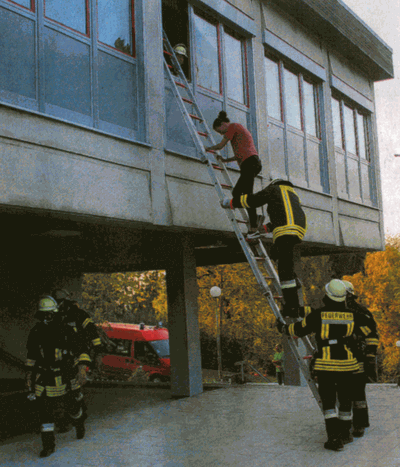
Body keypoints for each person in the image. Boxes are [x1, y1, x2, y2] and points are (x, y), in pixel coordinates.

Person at [277, 279, 376, 451]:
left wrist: (282, 327)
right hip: (348, 365)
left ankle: (334, 440)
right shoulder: (354, 315)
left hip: (326, 365)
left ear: (327, 295)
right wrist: (368, 353)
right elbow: (369, 330)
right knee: (345, 402)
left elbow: (298, 329)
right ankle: (346, 435)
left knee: (329, 404)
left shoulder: (319, 315)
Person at [221, 178, 307, 318]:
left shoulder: (274, 189)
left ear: (273, 184)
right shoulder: (292, 194)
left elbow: (254, 200)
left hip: (285, 230)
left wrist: (231, 203)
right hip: (296, 230)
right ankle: (295, 281)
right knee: (276, 253)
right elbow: (283, 216)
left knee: (285, 273)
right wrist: (264, 229)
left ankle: (292, 307)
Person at [25, 296, 91, 457]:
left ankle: (79, 422)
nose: (46, 319)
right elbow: (32, 356)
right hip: (45, 376)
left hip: (66, 375)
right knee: (45, 412)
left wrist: (82, 370)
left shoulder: (66, 330)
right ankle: (48, 445)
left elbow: (81, 349)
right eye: (43, 315)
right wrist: (28, 376)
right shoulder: (36, 332)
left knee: (73, 407)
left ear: (55, 314)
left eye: (49, 315)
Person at [205, 111, 263, 236]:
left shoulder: (232, 127)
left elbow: (220, 146)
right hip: (251, 162)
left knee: (243, 194)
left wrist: (207, 148)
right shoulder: (237, 130)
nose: (222, 134)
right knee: (240, 193)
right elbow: (240, 154)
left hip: (250, 163)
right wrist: (225, 160)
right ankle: (254, 221)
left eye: (220, 131)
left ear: (223, 124)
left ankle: (254, 225)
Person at [343, 280, 379, 437]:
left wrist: (370, 355)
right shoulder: (335, 311)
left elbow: (371, 334)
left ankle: (359, 424)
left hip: (357, 357)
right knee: (343, 392)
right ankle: (350, 422)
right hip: (339, 358)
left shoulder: (360, 313)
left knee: (357, 392)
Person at [52, 289, 103, 374]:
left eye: (60, 302)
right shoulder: (55, 317)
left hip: (78, 354)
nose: (58, 305)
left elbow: (93, 333)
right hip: (58, 358)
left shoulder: (79, 315)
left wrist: (98, 353)